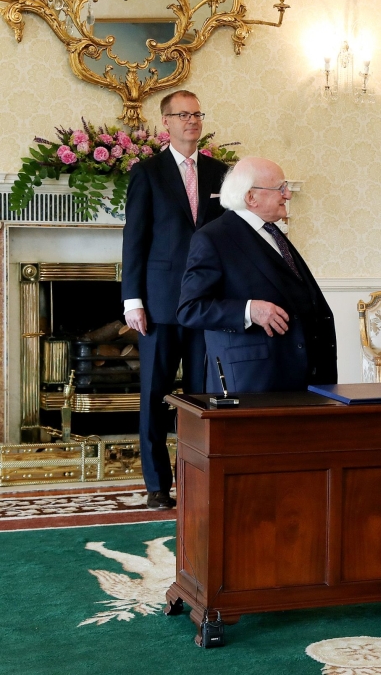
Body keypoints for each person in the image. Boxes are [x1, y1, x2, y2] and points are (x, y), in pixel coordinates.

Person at [122, 90, 228, 510]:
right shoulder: (147, 173)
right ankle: (156, 485)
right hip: (160, 304)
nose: (192, 121)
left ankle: (200, 477)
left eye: (197, 113)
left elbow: (231, 238)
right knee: (155, 395)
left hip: (208, 304)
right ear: (165, 122)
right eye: (183, 114)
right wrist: (133, 300)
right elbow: (136, 240)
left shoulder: (221, 174)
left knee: (205, 398)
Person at [177, 157, 337, 393]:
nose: (288, 195)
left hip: (298, 379)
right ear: (251, 197)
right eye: (281, 188)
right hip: (253, 383)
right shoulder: (214, 238)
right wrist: (249, 310)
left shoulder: (272, 232)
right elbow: (190, 309)